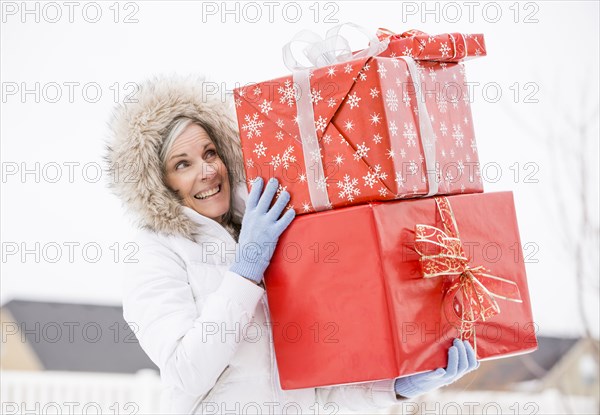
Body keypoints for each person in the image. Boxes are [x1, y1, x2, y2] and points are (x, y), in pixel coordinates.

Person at [105, 75, 479, 414]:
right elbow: (188, 371)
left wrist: (396, 387)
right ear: (160, 182)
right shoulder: (155, 253)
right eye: (182, 164)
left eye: (210, 153)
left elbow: (318, 391)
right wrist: (247, 267)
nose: (207, 171)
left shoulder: (269, 231)